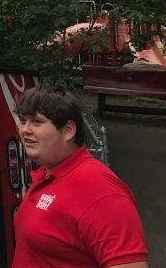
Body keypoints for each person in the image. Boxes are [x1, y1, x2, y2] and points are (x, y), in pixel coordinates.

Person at [12, 86, 147, 268]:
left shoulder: (101, 191)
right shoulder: (49, 174)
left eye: (36, 122)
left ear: (68, 130)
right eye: (23, 120)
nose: (25, 130)